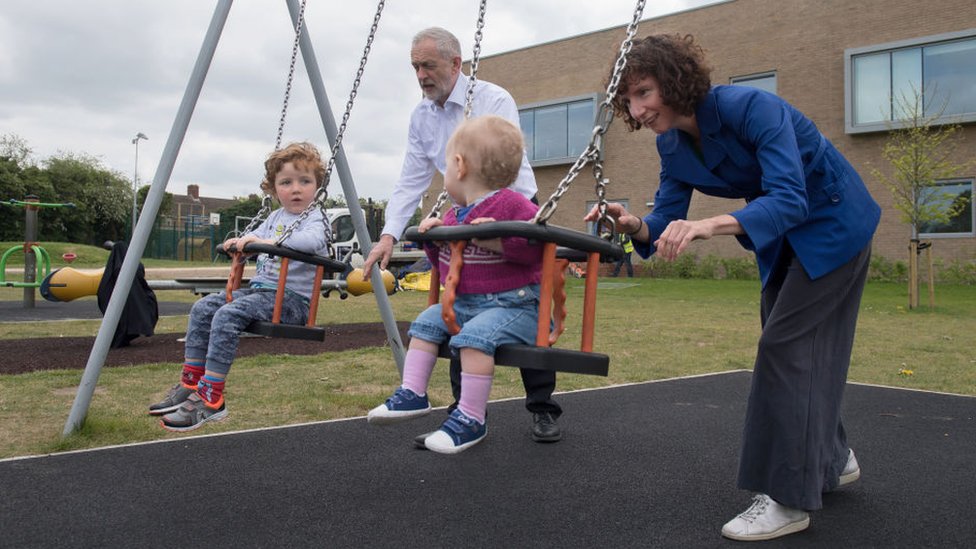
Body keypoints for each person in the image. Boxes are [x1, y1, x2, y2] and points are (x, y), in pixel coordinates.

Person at [585, 34, 881, 541]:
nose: (637, 109)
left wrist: (708, 225)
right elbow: (665, 218)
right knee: (791, 346)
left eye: (645, 92)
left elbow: (790, 199)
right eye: (628, 100)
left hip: (833, 224)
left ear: (675, 80)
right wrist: (632, 224)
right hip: (784, 241)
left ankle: (786, 500)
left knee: (786, 348)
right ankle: (832, 459)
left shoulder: (752, 108)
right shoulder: (673, 143)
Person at [362, 26, 562, 443]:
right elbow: (411, 179)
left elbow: (507, 165)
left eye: (428, 65)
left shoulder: (492, 98)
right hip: (463, 205)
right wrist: (390, 236)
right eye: (415, 67)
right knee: (461, 299)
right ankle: (463, 411)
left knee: (521, 299)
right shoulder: (421, 116)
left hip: (512, 204)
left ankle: (542, 406)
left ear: (456, 64)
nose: (420, 75)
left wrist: (501, 227)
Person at [367, 115, 544, 454]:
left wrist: (496, 239)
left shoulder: (513, 204)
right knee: (426, 322)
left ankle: (471, 418)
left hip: (515, 306)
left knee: (474, 340)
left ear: (459, 165)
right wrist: (435, 242)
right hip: (468, 303)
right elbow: (448, 269)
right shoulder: (453, 215)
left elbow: (536, 251)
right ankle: (413, 392)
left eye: (445, 165)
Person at [148, 142, 331, 432]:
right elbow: (253, 236)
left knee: (227, 314)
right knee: (204, 307)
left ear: (318, 187)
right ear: (272, 190)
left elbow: (310, 243)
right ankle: (192, 381)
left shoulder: (316, 218)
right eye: (286, 182)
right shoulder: (274, 217)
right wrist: (241, 243)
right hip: (261, 294)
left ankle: (212, 398)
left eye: (305, 181)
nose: (296, 189)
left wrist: (271, 244)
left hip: (292, 302)